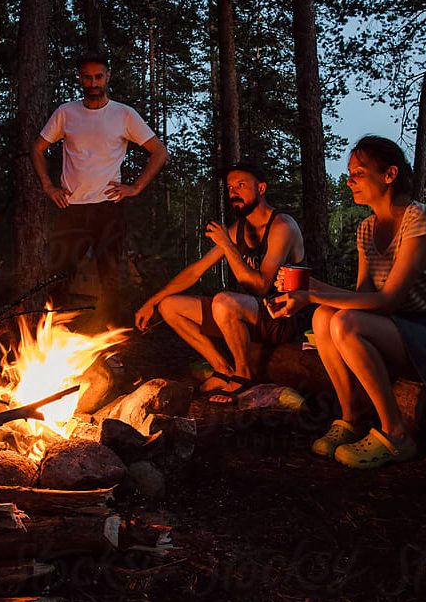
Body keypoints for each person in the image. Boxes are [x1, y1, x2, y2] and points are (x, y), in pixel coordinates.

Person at [269, 136, 426, 469]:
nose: (349, 181)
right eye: (349, 173)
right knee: (324, 317)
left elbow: (387, 301)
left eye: (359, 173)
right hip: (400, 332)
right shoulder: (366, 229)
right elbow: (360, 297)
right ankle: (352, 418)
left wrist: (307, 293)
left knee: (344, 322)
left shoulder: (419, 220)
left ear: (389, 174)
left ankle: (396, 433)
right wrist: (303, 287)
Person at [134, 162, 306, 404]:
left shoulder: (282, 226)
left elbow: (261, 286)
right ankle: (222, 369)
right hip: (249, 314)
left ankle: (243, 374)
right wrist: (152, 301)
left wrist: (227, 244)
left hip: (281, 317)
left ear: (262, 188)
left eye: (242, 185)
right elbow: (195, 271)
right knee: (169, 306)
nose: (234, 192)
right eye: (230, 187)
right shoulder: (239, 229)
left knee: (224, 301)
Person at [32, 52, 168, 329]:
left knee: (110, 276)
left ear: (107, 77)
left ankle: (109, 337)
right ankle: (52, 337)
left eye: (98, 76)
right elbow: (37, 149)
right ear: (80, 79)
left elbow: (158, 151)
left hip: (108, 207)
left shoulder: (123, 114)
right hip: (70, 208)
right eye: (87, 77)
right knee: (59, 274)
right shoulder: (66, 113)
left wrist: (136, 188)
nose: (93, 82)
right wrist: (48, 186)